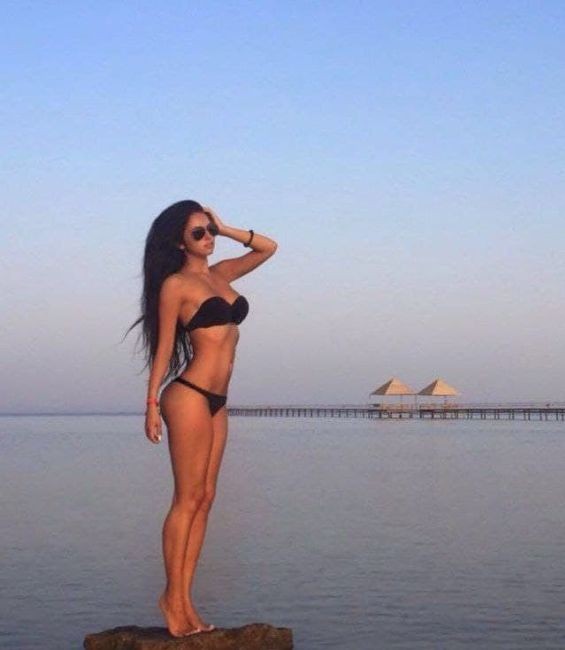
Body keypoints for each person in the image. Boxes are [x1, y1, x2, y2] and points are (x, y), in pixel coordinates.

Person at [126, 200, 277, 637]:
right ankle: (171, 601)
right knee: (187, 498)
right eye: (199, 232)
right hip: (188, 396)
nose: (207, 237)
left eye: (209, 230)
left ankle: (186, 602)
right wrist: (151, 403)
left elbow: (269, 248)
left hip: (218, 400)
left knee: (206, 498)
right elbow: (163, 347)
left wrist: (227, 228)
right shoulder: (175, 285)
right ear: (179, 242)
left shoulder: (222, 274)